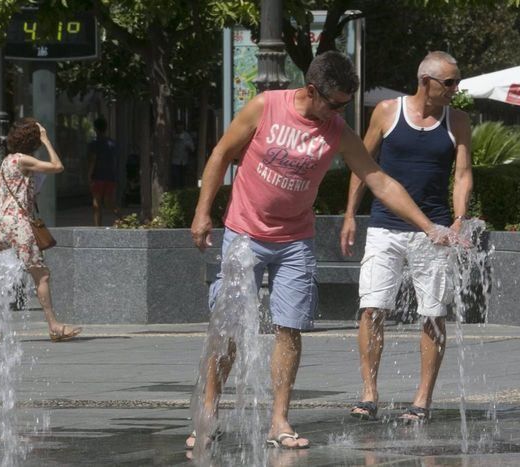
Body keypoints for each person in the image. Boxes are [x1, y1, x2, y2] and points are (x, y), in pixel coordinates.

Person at [187, 51, 455, 451]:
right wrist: (202, 212)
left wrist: (429, 226)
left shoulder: (338, 130)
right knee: (228, 326)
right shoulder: (265, 106)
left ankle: (279, 421)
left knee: (289, 329)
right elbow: (221, 155)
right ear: (311, 91)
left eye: (345, 105)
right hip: (244, 233)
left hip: (296, 239)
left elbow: (379, 180)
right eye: (334, 104)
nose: (338, 113)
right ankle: (208, 413)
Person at [341, 51, 473, 424]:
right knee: (372, 308)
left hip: (436, 233)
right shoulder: (386, 112)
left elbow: (463, 174)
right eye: (449, 83)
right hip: (385, 227)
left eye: (456, 82)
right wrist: (350, 214)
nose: (454, 89)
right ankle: (369, 393)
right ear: (425, 82)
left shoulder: (458, 120)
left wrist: (459, 220)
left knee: (433, 314)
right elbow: (361, 165)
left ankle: (422, 399)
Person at [0, 118, 82, 342]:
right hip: (20, 224)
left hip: (2, 223)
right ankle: (54, 326)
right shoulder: (24, 160)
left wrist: (22, 192)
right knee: (41, 275)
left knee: (3, 276)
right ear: (32, 140)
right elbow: (57, 166)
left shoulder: (7, 161)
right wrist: (47, 140)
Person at [87, 116, 119, 226]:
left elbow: (93, 160)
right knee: (109, 202)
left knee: (97, 203)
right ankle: (122, 218)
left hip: (98, 176)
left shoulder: (94, 144)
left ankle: (97, 226)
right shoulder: (112, 143)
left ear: (95, 128)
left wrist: (89, 175)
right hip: (110, 175)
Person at [171, 121, 195, 189]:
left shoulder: (186, 135)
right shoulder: (173, 135)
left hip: (183, 161)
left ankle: (182, 191)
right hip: (175, 161)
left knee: (182, 179)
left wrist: (188, 145)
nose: (179, 128)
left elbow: (192, 148)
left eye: (181, 126)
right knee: (175, 178)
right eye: (178, 126)